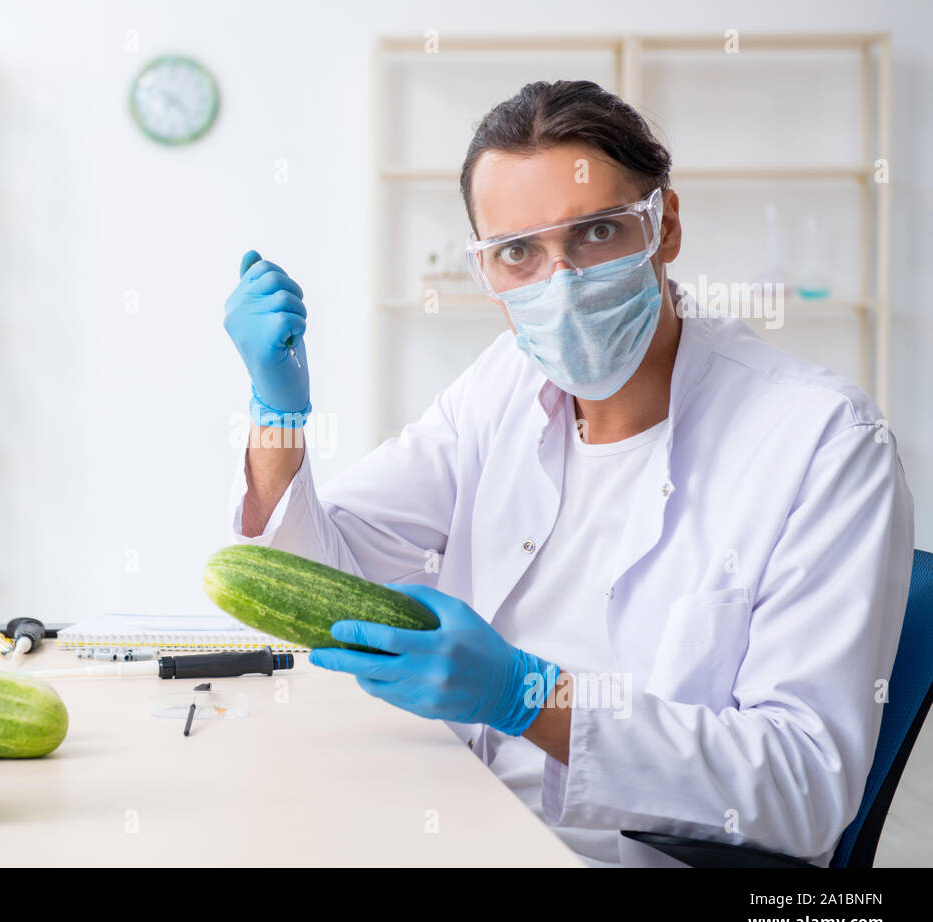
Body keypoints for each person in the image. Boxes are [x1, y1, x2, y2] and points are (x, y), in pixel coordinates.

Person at [221, 79, 914, 867]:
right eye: (518, 252)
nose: (562, 281)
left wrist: (530, 697)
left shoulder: (822, 443)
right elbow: (313, 583)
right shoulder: (502, 386)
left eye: (596, 232)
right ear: (486, 270)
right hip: (459, 818)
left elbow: (805, 789)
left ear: (666, 227)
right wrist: (276, 415)